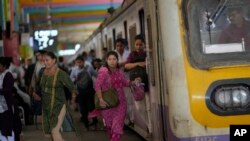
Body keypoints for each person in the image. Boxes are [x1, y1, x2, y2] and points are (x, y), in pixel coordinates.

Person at [95, 51, 139, 141]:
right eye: (109, 59)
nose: (112, 61)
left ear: (117, 60)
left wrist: (133, 82)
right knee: (110, 128)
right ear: (106, 60)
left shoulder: (119, 71)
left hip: (120, 103)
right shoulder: (103, 71)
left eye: (114, 59)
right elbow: (97, 86)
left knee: (117, 128)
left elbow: (124, 82)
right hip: (107, 104)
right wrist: (100, 99)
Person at [39, 51, 77, 141]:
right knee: (51, 133)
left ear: (54, 60)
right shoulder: (42, 72)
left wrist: (73, 100)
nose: (45, 62)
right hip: (46, 107)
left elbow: (72, 87)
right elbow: (40, 87)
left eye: (47, 60)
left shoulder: (61, 74)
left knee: (54, 131)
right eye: (43, 60)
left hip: (59, 105)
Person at [124, 34, 152, 135]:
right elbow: (126, 66)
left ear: (144, 44)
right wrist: (138, 64)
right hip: (136, 85)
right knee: (140, 108)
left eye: (140, 44)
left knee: (148, 106)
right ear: (134, 45)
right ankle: (148, 124)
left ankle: (150, 128)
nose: (139, 46)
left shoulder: (147, 54)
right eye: (137, 44)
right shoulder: (132, 55)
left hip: (147, 82)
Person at [0, 57, 22, 141]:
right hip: (3, 104)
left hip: (7, 104)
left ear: (4, 66)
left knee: (9, 126)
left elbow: (8, 90)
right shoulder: (2, 74)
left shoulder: (8, 75)